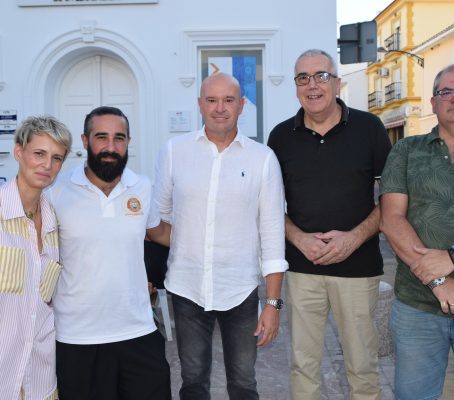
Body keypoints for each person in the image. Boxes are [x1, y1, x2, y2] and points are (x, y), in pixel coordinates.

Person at [153, 72, 288, 400]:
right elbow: (157, 220)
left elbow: (272, 236)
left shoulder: (262, 159)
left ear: (242, 106)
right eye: (211, 100)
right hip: (187, 289)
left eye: (228, 100)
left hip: (239, 291)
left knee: (243, 385)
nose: (220, 108)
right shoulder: (174, 151)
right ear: (200, 105)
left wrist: (271, 305)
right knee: (193, 383)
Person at [268, 49, 391, 400]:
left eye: (321, 76)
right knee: (303, 367)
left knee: (362, 367)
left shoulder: (369, 129)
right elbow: (268, 205)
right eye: (303, 78)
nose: (313, 85)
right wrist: (298, 238)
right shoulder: (280, 138)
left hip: (359, 269)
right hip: (303, 271)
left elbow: (393, 200)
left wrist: (353, 238)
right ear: (295, 87)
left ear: (336, 82)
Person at [380, 64, 454, 400]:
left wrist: (452, 259)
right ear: (432, 102)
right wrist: (438, 280)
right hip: (418, 307)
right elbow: (391, 219)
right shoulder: (406, 150)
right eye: (446, 91)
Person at [47, 106, 172, 400]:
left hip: (138, 331)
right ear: (85, 140)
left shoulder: (141, 187)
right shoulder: (56, 191)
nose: (111, 147)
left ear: (129, 142)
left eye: (119, 138)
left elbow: (161, 234)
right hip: (77, 338)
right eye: (101, 137)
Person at [0, 116, 72, 400]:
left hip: (41, 381)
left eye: (56, 158)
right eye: (39, 154)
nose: (47, 165)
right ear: (19, 152)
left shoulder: (55, 221)